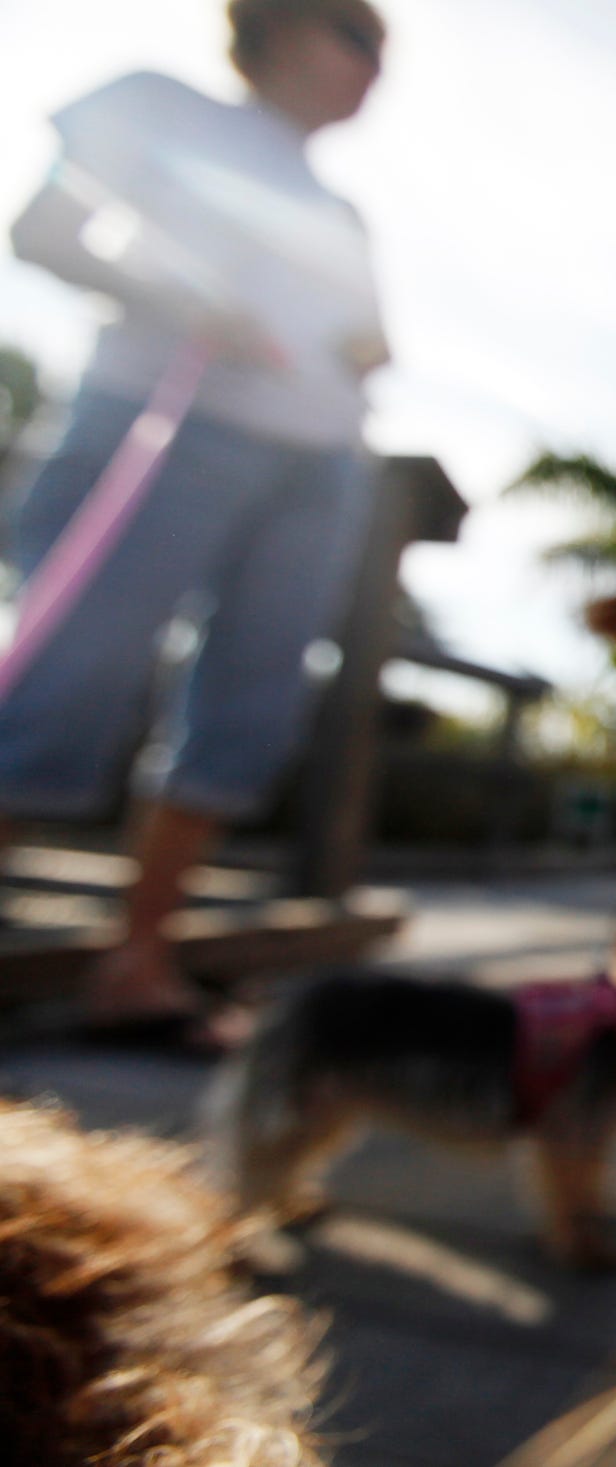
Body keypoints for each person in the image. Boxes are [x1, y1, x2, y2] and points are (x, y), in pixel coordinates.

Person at [0, 0, 389, 1032]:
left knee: (246, 703)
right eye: (355, 33)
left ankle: (139, 965)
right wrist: (182, 299)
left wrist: (365, 347)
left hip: (318, 464)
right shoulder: (160, 106)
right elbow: (42, 230)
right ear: (276, 26)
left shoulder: (342, 211)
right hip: (165, 421)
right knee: (65, 675)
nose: (373, 61)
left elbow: (361, 331)